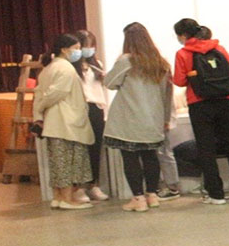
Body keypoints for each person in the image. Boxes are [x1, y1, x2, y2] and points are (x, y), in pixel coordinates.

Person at [172, 18, 229, 205]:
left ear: (183, 35)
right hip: (226, 101)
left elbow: (179, 81)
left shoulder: (183, 53)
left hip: (199, 104)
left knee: (206, 149)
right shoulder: (219, 48)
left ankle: (216, 194)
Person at [103, 23, 174, 212]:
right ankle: (152, 195)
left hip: (130, 119)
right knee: (151, 156)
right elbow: (167, 95)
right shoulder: (161, 63)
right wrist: (166, 118)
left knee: (130, 158)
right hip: (153, 119)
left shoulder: (127, 61)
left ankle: (138, 198)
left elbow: (109, 83)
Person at [33, 33, 94, 210]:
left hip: (54, 122)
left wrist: (38, 113)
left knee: (58, 161)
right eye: (76, 48)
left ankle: (58, 197)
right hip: (66, 122)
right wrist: (42, 107)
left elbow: (39, 93)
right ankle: (67, 198)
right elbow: (55, 93)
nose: (79, 51)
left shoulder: (49, 67)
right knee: (67, 161)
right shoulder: (65, 69)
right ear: (64, 49)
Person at [72, 29, 110, 203]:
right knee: (81, 149)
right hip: (79, 108)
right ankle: (78, 187)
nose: (89, 49)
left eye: (91, 46)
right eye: (85, 46)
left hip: (96, 108)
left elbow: (103, 87)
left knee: (95, 149)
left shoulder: (97, 64)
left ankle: (93, 184)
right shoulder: (71, 67)